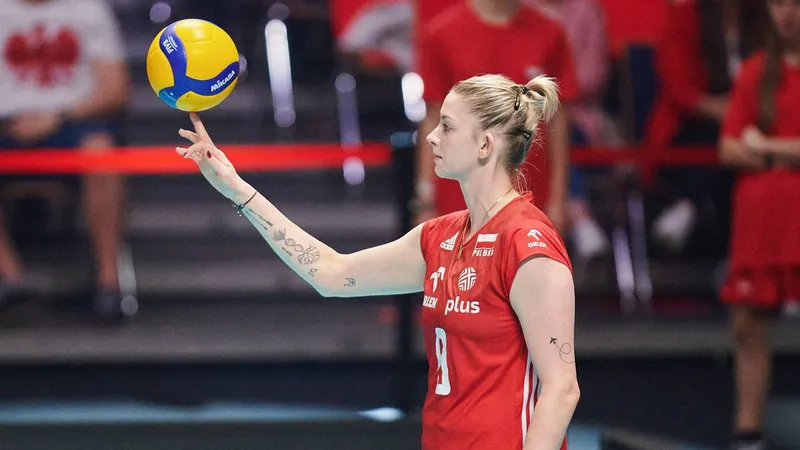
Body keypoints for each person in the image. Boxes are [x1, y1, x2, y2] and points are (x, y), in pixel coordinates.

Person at [175, 73, 580, 449]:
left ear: (485, 145)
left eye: (447, 126)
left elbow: (561, 389)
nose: (432, 137)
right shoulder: (439, 237)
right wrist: (237, 189)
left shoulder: (527, 243)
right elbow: (331, 274)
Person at [0, 0, 131, 322]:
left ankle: (108, 282)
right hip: (7, 124)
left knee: (100, 153)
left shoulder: (88, 9)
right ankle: (9, 276)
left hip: (72, 122)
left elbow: (115, 89)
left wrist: (55, 117)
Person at [414, 0, 578, 235]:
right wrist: (426, 198)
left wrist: (558, 199)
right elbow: (433, 118)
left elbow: (557, 121)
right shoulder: (441, 34)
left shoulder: (550, 34)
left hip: (530, 196)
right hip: (459, 197)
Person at [718, 1, 800, 448]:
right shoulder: (754, 71)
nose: (786, 13)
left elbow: (749, 144)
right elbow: (729, 148)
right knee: (746, 324)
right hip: (761, 221)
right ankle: (748, 435)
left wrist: (766, 147)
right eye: (778, 3)